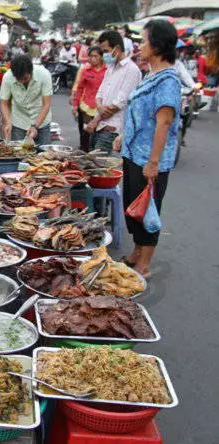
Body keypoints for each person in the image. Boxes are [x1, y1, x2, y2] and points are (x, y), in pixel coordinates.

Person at [114, 20, 181, 279]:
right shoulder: (150, 75)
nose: (140, 46)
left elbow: (163, 122)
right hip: (133, 154)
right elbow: (138, 115)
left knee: (148, 210)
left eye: (143, 41)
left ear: (157, 45)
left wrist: (153, 162)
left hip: (149, 159)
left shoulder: (168, 80)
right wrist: (123, 136)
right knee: (134, 206)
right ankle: (135, 253)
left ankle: (144, 265)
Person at [86, 30, 141, 155]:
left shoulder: (131, 70)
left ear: (116, 48)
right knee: (94, 167)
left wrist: (96, 119)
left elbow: (118, 104)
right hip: (99, 126)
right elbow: (99, 95)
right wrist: (99, 109)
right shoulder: (110, 69)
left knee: (101, 167)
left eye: (105, 51)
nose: (104, 55)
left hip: (113, 129)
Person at [0, 54, 53, 145]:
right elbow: (4, 103)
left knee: (44, 155)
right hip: (19, 122)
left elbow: (46, 104)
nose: (21, 81)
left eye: (24, 78)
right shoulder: (8, 77)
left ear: (30, 71)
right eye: (18, 79)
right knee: (19, 155)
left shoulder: (44, 75)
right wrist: (8, 122)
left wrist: (35, 126)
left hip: (42, 121)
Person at [71, 46, 106, 152]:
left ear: (101, 57)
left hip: (100, 107)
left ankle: (95, 156)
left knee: (97, 134)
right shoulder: (85, 70)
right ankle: (83, 155)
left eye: (95, 56)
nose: (93, 59)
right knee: (84, 133)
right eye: (90, 56)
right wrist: (75, 105)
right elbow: (80, 88)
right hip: (85, 107)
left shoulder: (108, 70)